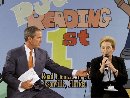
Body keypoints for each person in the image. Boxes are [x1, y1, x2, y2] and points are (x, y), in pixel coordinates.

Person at [2, 26, 88, 98]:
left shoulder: (43, 53)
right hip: (19, 92)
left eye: (41, 37)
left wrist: (76, 72)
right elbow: (6, 75)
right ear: (30, 39)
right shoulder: (13, 53)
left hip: (38, 89)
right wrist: (21, 84)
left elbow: (56, 68)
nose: (41, 40)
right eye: (38, 37)